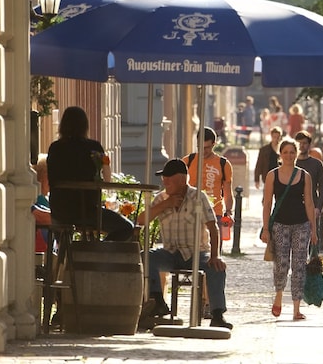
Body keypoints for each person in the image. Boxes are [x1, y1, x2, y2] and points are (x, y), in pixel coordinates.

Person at [138, 159, 232, 329]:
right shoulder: (161, 198)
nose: (165, 182)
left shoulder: (198, 197)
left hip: (196, 252)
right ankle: (157, 300)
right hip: (170, 253)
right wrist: (165, 204)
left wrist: (215, 255)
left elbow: (213, 227)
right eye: (164, 179)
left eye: (169, 179)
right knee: (145, 256)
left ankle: (217, 314)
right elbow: (141, 220)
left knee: (217, 267)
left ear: (182, 180)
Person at [47, 106, 134, 242]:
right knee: (127, 228)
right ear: (85, 126)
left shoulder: (55, 148)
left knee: (65, 245)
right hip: (88, 211)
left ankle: (69, 257)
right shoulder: (93, 147)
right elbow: (107, 180)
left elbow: (51, 179)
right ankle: (101, 252)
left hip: (60, 211)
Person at [261, 138, 317, 321]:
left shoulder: (304, 176)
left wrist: (314, 230)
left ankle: (296, 308)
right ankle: (278, 296)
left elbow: (309, 202)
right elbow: (267, 203)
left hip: (302, 224)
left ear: (297, 153)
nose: (289, 155)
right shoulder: (272, 175)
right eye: (285, 152)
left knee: (299, 265)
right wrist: (265, 228)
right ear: (280, 154)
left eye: (292, 152)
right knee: (281, 264)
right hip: (279, 224)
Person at [181, 127, 233, 226]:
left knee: (215, 241)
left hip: (215, 213)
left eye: (207, 148)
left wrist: (228, 211)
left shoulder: (223, 164)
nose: (203, 151)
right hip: (190, 211)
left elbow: (227, 191)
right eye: (200, 147)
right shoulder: (188, 161)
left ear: (214, 144)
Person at [294, 131, 323, 234]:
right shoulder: (290, 164)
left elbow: (322, 187)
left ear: (309, 145)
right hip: (294, 206)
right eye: (299, 143)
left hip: (312, 205)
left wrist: (319, 208)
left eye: (304, 143)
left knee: (312, 238)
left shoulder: (316, 164)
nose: (301, 146)